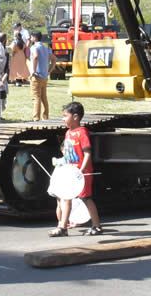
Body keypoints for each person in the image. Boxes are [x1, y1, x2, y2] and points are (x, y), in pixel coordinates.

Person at [51, 101, 102, 237]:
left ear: (75, 117)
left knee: (86, 198)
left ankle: (96, 226)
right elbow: (68, 155)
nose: (63, 119)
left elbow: (87, 153)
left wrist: (82, 170)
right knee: (66, 197)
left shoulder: (82, 132)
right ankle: (63, 227)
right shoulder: (68, 133)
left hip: (81, 173)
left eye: (65, 116)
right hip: (70, 172)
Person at [29, 32, 52, 121]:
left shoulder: (34, 47)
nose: (30, 38)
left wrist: (33, 71)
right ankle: (45, 116)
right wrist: (49, 70)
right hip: (44, 76)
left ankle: (36, 118)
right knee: (44, 97)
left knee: (36, 97)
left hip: (37, 75)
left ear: (34, 37)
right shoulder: (46, 47)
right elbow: (54, 59)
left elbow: (35, 56)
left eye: (31, 36)